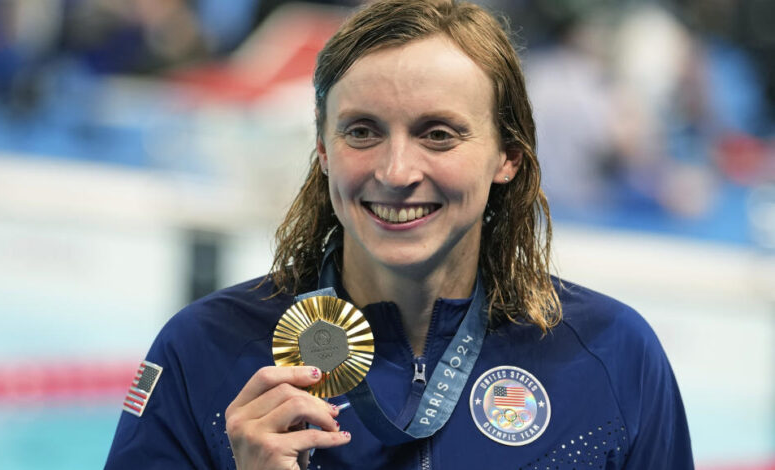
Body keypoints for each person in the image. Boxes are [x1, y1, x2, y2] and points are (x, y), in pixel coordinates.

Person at [105, 0, 693, 469]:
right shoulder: (204, 351)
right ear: (324, 152)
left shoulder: (612, 356)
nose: (395, 172)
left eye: (438, 134)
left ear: (507, 155)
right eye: (362, 131)